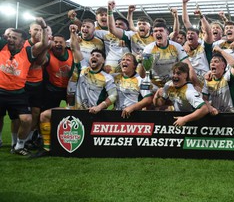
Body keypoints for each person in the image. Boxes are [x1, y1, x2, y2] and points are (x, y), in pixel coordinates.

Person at [34, 25, 117, 157]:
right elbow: (74, 48)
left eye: (97, 56)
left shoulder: (107, 78)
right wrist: (73, 32)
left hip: (92, 112)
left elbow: (113, 96)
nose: (94, 57)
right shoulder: (83, 68)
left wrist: (100, 107)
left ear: (103, 60)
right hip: (74, 109)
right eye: (92, 55)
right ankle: (47, 148)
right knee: (45, 115)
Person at [0, 18, 48, 156]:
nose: (10, 40)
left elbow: (44, 43)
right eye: (9, 37)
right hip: (0, 90)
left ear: (22, 42)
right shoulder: (2, 46)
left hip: (18, 93)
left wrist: (43, 26)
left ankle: (19, 145)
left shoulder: (28, 51)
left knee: (26, 120)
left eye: (14, 38)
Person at [142, 19, 199, 88]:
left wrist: (196, 85)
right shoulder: (148, 49)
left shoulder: (176, 46)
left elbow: (189, 66)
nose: (158, 33)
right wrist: (141, 63)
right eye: (155, 31)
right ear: (153, 35)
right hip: (155, 84)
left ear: (167, 33)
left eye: (161, 30)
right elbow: (143, 74)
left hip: (174, 82)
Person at [154, 62, 208, 126]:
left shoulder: (189, 91)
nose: (175, 76)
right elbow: (159, 104)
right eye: (173, 73)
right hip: (177, 119)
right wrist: (156, 96)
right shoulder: (168, 86)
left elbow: (204, 109)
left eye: (178, 73)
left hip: (192, 122)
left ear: (186, 75)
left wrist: (184, 119)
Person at [202, 46, 234, 114]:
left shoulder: (228, 77)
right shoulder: (208, 80)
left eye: (216, 61)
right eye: (211, 62)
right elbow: (204, 98)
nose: (213, 63)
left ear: (223, 65)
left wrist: (221, 51)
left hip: (232, 115)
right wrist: (210, 108)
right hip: (217, 116)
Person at [114, 52, 153, 118]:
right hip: (117, 114)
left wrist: (132, 107)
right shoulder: (114, 78)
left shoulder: (142, 80)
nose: (124, 61)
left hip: (134, 115)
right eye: (123, 60)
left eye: (128, 60)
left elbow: (148, 99)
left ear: (134, 65)